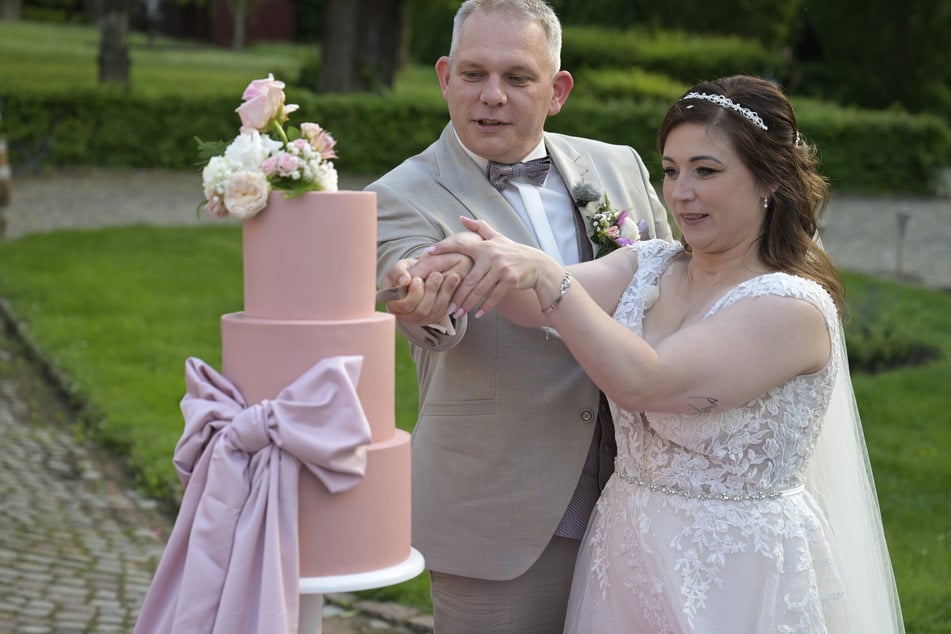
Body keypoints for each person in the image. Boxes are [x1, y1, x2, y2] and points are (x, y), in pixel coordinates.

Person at [418, 75, 905, 632]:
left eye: (706, 170)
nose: (680, 192)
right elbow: (532, 305)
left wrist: (549, 277)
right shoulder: (651, 263)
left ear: (768, 178)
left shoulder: (790, 309)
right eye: (671, 170)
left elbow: (644, 383)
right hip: (626, 552)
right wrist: (453, 267)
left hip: (735, 570)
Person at [369, 0, 672, 631]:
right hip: (498, 513)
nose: (492, 96)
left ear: (557, 89)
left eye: (517, 77)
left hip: (640, 498)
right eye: (474, 74)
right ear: (444, 77)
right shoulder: (396, 196)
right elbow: (422, 301)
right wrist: (417, 305)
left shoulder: (620, 166)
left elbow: (671, 288)